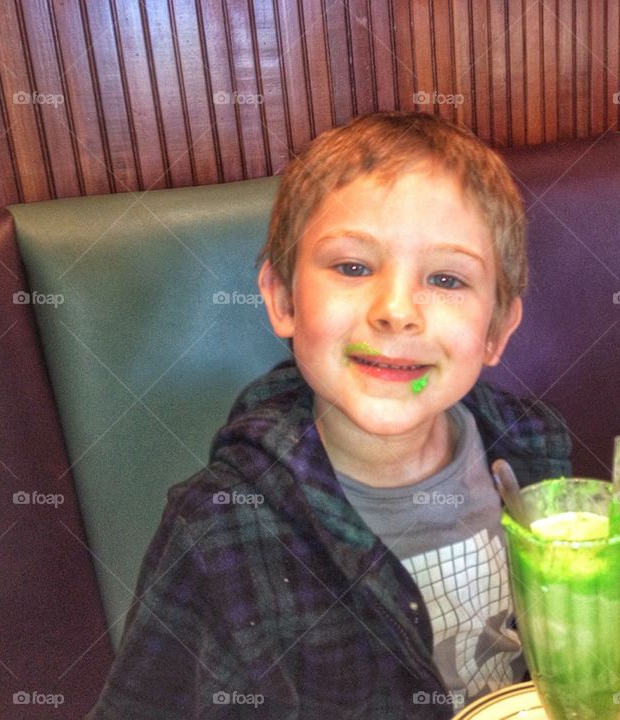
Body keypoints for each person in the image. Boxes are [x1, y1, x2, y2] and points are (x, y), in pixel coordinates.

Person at [87, 111, 571, 719]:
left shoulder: (533, 450)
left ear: (497, 330)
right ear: (284, 299)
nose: (397, 311)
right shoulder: (221, 534)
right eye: (353, 267)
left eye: (446, 278)